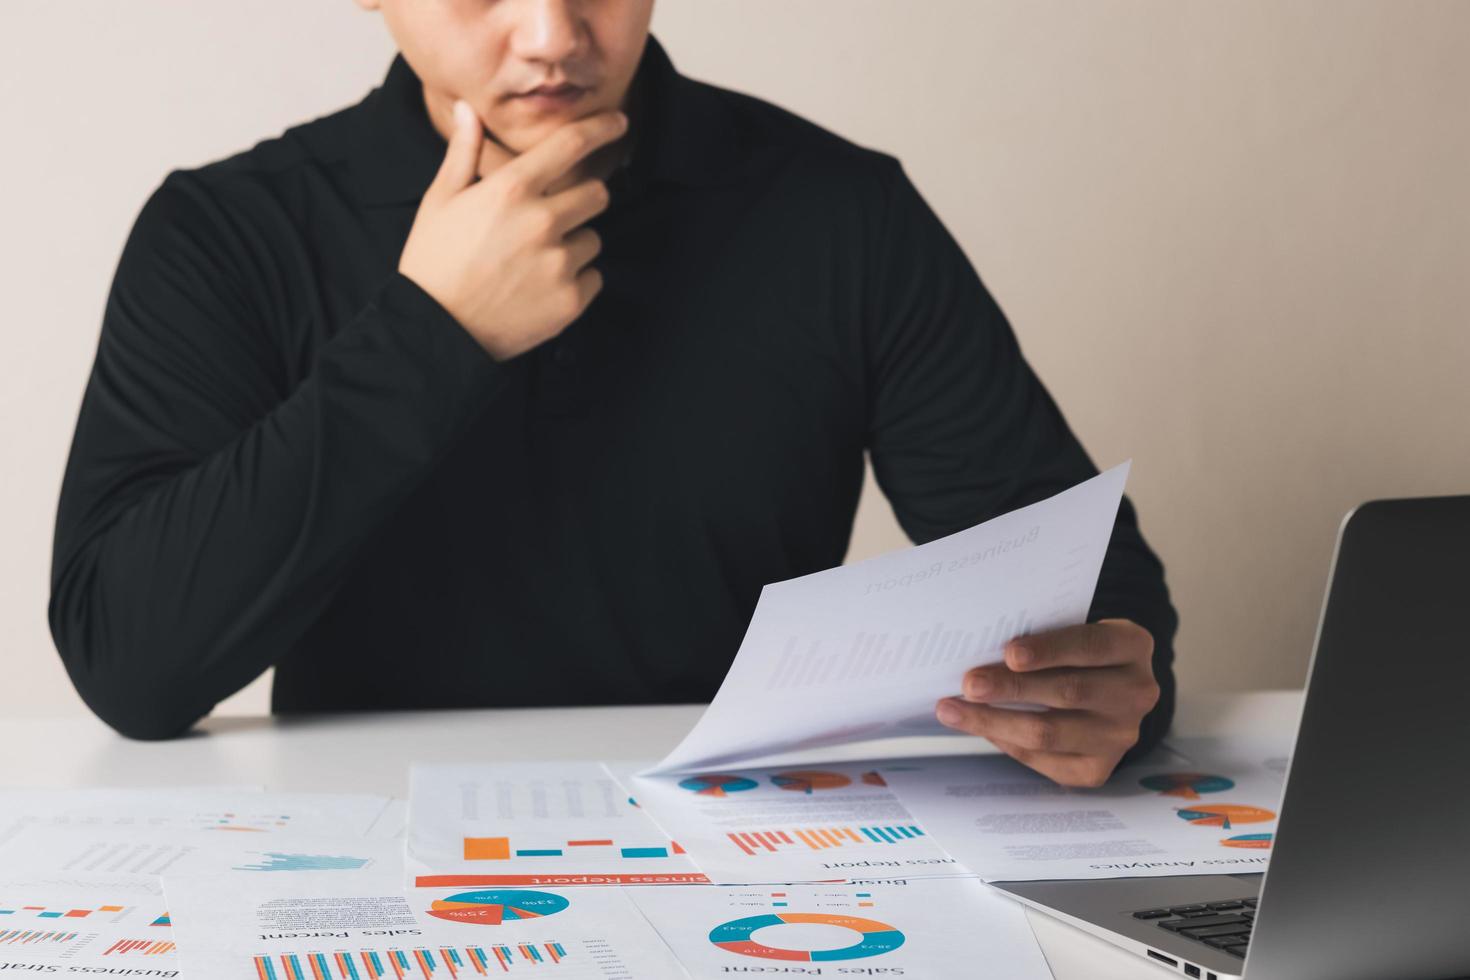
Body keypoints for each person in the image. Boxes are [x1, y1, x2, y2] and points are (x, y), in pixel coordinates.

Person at [49, 0, 1177, 788]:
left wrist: (1115, 684)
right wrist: (432, 333)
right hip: (357, 852)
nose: (552, 34)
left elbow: (1085, 581)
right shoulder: (228, 234)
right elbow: (130, 663)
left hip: (742, 853)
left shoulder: (838, 214)